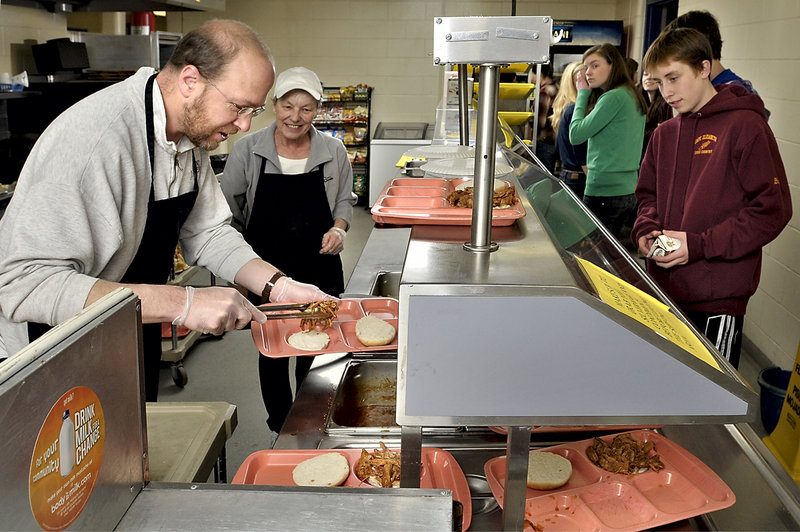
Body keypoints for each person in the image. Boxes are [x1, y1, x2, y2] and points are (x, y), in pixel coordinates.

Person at [0, 20, 331, 401]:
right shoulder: (96, 142)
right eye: (239, 107)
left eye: (253, 110)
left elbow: (207, 232)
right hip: (47, 353)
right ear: (190, 81)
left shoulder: (187, 138)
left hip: (123, 329)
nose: (243, 125)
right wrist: (184, 303)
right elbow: (25, 284)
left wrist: (279, 287)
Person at [631, 28, 792, 368]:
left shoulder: (746, 126)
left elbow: (772, 211)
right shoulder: (664, 133)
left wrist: (699, 244)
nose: (667, 92)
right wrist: (646, 229)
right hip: (664, 290)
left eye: (674, 78)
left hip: (717, 297)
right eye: (659, 82)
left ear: (704, 68)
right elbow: (648, 196)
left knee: (709, 399)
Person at [221, 67, 357, 437]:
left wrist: (338, 229)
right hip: (265, 266)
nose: (295, 117)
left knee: (317, 347)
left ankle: (313, 421)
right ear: (274, 105)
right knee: (273, 351)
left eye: (307, 108)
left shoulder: (333, 151)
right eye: (287, 106)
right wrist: (238, 269)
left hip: (318, 262)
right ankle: (281, 428)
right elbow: (227, 214)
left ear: (318, 110)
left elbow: (344, 202)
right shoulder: (247, 150)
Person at [569, 43, 647, 243]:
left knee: (594, 255)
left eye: (595, 65)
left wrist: (582, 94)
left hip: (604, 190)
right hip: (627, 188)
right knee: (611, 253)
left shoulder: (613, 97)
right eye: (586, 67)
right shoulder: (630, 93)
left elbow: (576, 134)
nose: (588, 73)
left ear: (613, 66)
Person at [550, 61, 588, 199]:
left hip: (569, 174)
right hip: (578, 176)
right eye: (583, 79)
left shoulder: (565, 107)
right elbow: (580, 150)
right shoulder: (574, 110)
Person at [533, 63, 559, 173]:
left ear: (539, 74)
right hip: (555, 140)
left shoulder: (545, 91)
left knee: (544, 178)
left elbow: (541, 122)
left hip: (545, 141)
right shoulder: (557, 87)